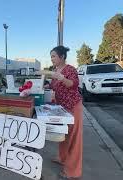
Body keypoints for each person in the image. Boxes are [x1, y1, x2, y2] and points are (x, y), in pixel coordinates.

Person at [47, 46, 83, 179]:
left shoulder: (70, 69)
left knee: (73, 139)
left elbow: (73, 84)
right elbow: (53, 86)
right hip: (61, 107)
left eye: (54, 56)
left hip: (73, 106)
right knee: (63, 135)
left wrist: (61, 77)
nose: (52, 59)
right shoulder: (55, 70)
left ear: (62, 57)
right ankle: (62, 158)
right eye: (51, 57)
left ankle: (73, 171)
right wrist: (46, 85)